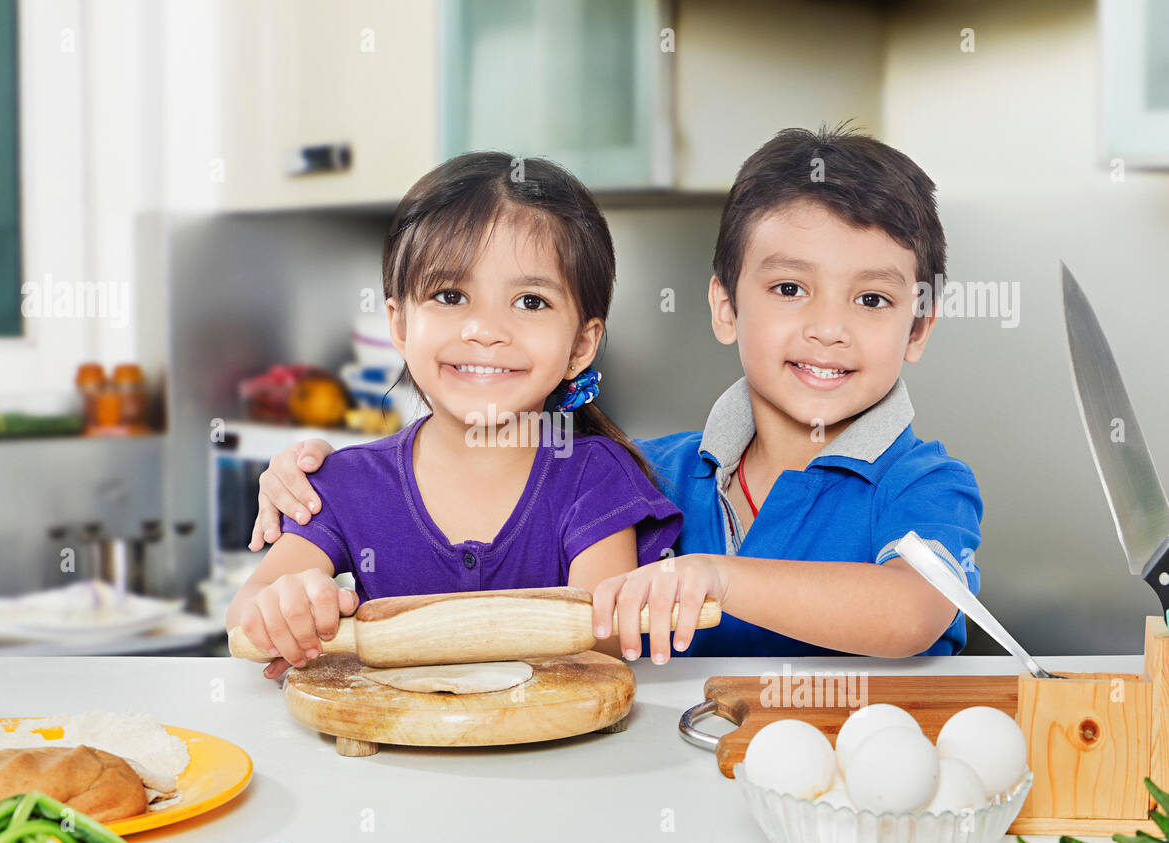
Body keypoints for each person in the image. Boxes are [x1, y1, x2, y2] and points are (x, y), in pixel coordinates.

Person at [250, 124, 983, 664]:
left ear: (919, 328)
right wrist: (308, 480)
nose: (828, 329)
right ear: (725, 308)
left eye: (873, 301)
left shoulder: (926, 484)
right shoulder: (643, 473)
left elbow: (911, 612)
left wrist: (715, 577)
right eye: (790, 289)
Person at [226, 151, 683, 679]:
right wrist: (283, 607)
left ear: (581, 344)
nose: (485, 330)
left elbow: (601, 646)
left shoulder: (595, 477)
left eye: (530, 302)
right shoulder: (345, 482)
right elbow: (245, 615)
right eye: (450, 295)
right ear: (400, 326)